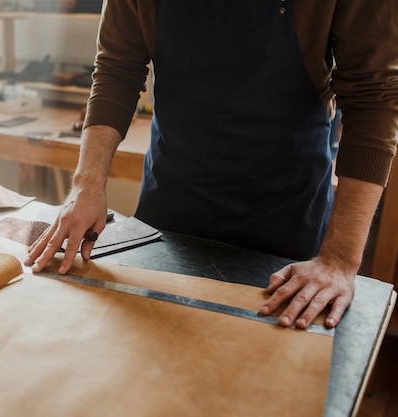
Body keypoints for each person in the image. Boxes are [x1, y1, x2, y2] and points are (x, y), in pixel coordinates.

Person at [25, 0, 398, 329]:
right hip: (170, 207)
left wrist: (339, 259)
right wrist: (86, 184)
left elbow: (374, 99)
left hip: (286, 216)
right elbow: (116, 69)